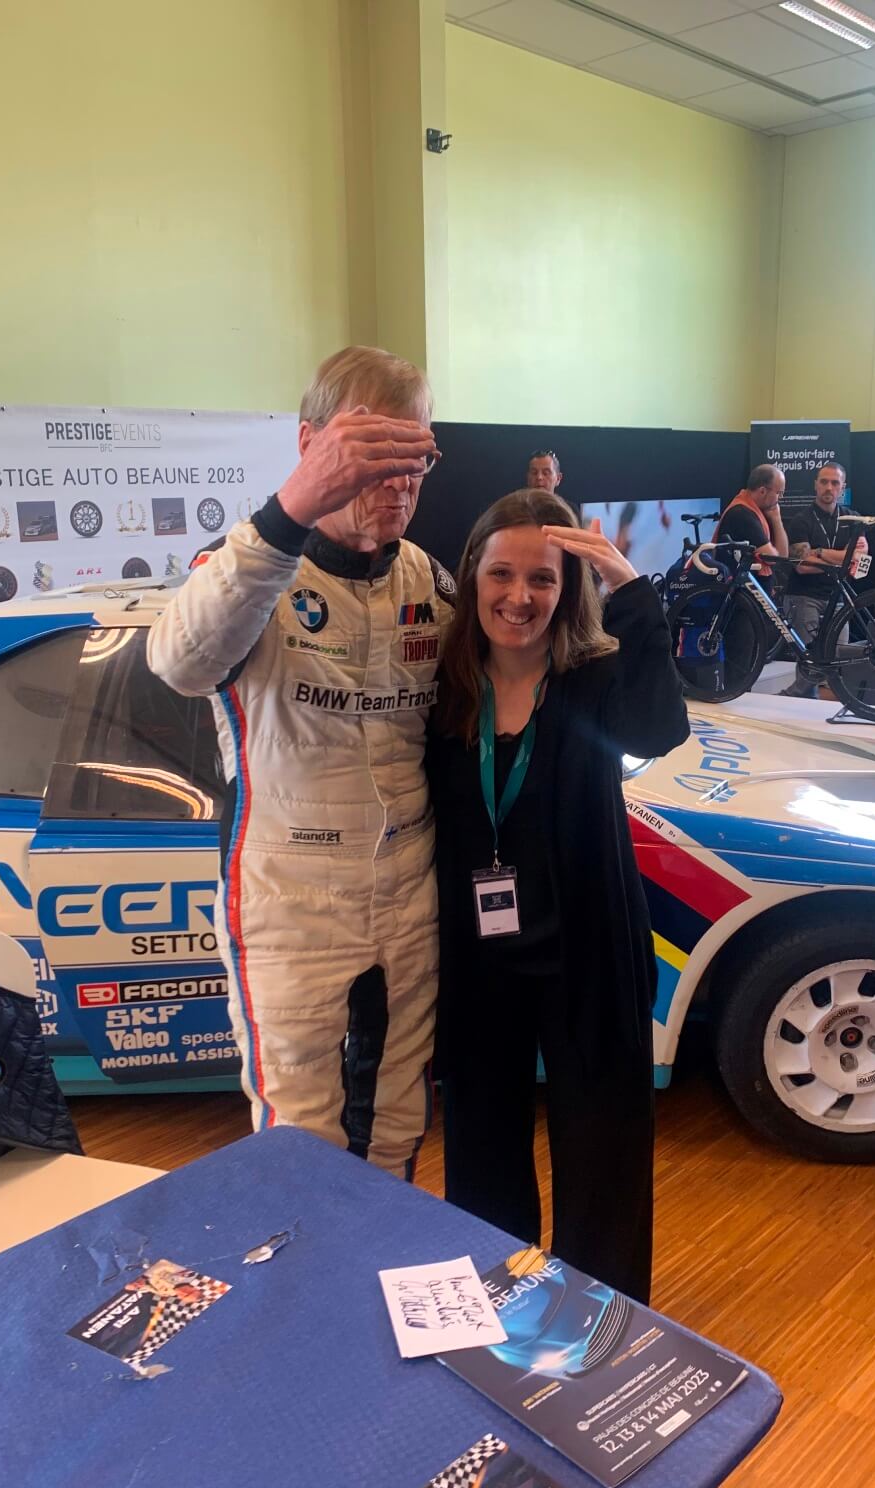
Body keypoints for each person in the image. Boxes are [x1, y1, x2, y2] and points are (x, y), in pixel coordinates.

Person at [147, 346, 456, 1177]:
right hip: (291, 894)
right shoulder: (247, 567)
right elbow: (178, 663)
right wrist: (288, 515)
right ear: (311, 443)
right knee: (300, 1131)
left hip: (411, 886)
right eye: (375, 454)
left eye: (417, 458)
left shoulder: (429, 581)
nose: (400, 481)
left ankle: (383, 1256)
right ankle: (307, 1261)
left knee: (398, 1119)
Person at [427, 490, 689, 1303]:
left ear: (567, 589)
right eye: (501, 574)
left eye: (543, 579)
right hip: (479, 955)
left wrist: (631, 590)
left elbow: (660, 729)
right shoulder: (442, 688)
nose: (520, 596)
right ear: (472, 577)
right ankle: (498, 1307)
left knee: (604, 1151)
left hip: (588, 947)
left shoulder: (594, 677)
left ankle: (597, 1323)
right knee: (482, 1150)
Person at [781, 462, 866, 698]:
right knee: (809, 662)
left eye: (835, 483)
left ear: (842, 488)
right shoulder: (801, 520)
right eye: (824, 482)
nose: (829, 487)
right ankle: (796, 701)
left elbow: (860, 560)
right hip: (803, 596)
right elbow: (802, 566)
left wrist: (819, 553)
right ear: (816, 485)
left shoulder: (854, 519)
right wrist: (843, 557)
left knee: (836, 661)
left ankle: (807, 702)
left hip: (838, 598)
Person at [713, 464, 789, 588]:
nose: (780, 498)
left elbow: (783, 556)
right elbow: (772, 558)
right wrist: (776, 519)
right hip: (739, 589)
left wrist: (777, 520)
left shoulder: (759, 511)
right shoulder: (742, 514)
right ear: (762, 491)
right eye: (779, 493)